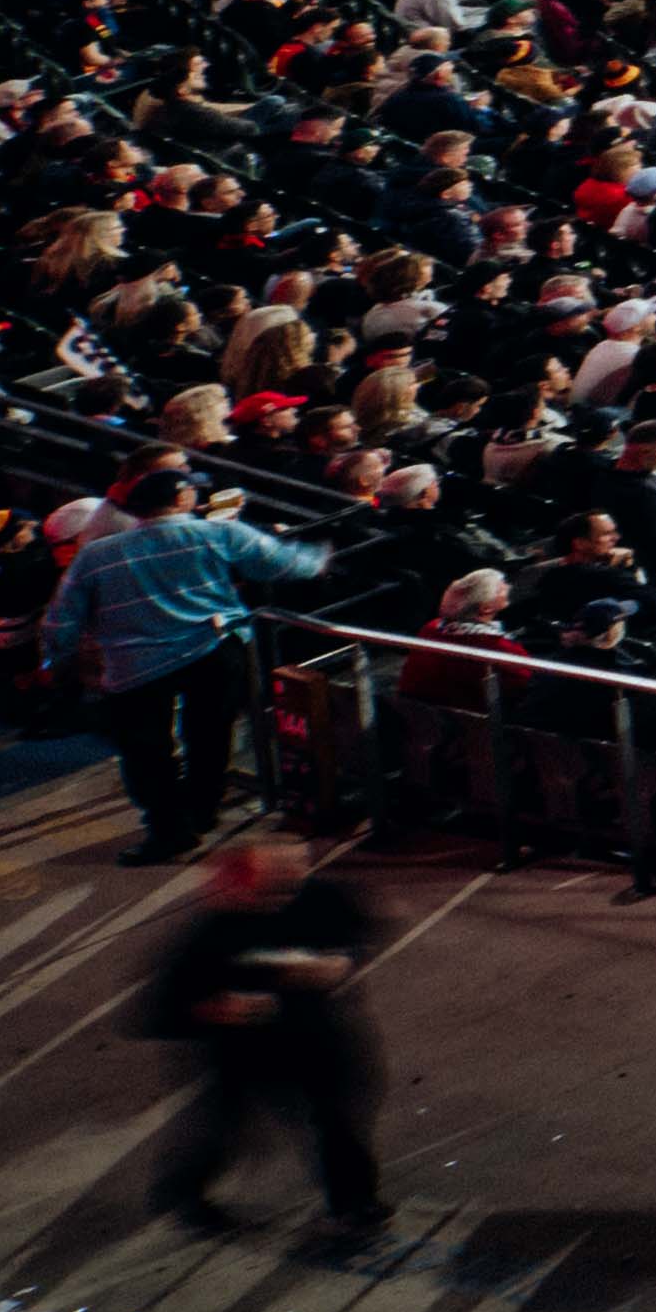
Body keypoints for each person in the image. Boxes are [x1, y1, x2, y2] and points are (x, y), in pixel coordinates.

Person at [139, 832, 391, 1242]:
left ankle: (354, 1203)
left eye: (295, 867)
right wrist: (222, 1009)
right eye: (274, 872)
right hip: (244, 1052)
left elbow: (361, 931)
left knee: (340, 1119)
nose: (287, 881)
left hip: (314, 1037)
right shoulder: (213, 934)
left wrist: (342, 962)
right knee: (224, 1128)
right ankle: (183, 1192)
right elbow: (158, 1012)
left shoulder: (320, 900)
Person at [52, 463, 300, 863]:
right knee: (210, 736)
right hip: (212, 650)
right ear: (182, 499)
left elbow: (63, 616)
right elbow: (287, 564)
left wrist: (58, 658)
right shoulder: (217, 533)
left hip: (134, 665)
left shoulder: (96, 555)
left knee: (145, 752)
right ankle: (202, 810)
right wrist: (317, 553)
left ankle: (168, 830)